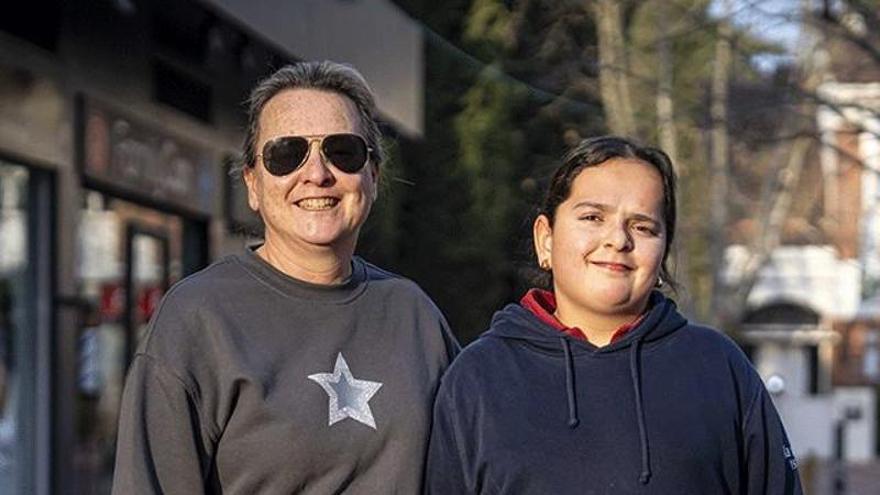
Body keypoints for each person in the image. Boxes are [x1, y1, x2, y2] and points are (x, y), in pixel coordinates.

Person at [112, 61, 459, 494]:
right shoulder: (198, 318)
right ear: (253, 184)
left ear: (372, 176)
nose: (316, 173)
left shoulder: (414, 316)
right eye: (286, 154)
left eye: (343, 151)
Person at [424, 136, 802, 494]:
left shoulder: (719, 369)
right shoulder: (478, 379)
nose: (618, 240)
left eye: (643, 226)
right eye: (592, 217)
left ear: (664, 250)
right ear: (546, 238)